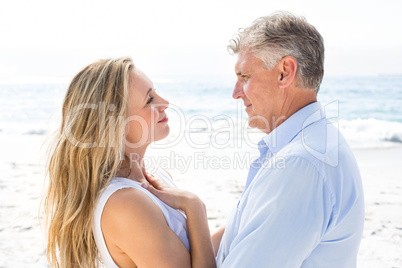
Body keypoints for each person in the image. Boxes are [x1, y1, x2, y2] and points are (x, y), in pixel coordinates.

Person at [213, 12, 365, 267]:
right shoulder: (313, 145)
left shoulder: (302, 163)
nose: (236, 93)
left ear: (285, 72)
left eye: (245, 77)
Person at [43, 58, 216, 267]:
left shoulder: (156, 178)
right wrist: (195, 207)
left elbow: (196, 255)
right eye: (150, 99)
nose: (165, 103)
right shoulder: (125, 204)